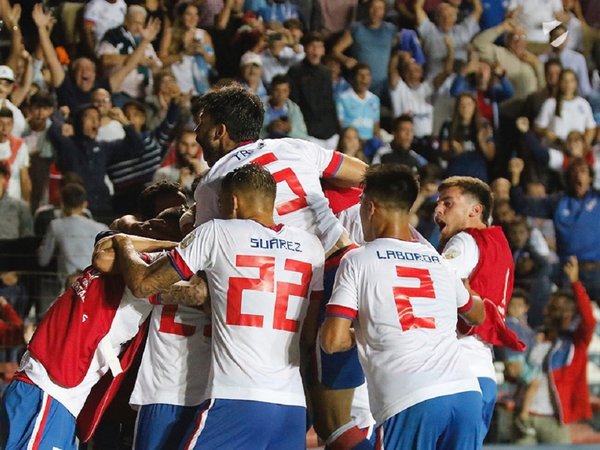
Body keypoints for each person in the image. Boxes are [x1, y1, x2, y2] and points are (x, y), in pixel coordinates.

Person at [106, 164, 325, 449]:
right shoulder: (311, 246)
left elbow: (142, 284)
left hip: (235, 398)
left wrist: (123, 242)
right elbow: (310, 335)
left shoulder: (217, 233)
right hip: (292, 405)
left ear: (232, 202)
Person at [321, 164, 485, 449]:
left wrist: (363, 332)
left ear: (370, 208)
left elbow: (332, 341)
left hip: (410, 399)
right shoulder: (437, 260)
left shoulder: (358, 260)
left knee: (334, 426)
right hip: (466, 394)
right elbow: (476, 313)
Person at [434, 175, 522, 444]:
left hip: (453, 374)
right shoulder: (499, 243)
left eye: (448, 203)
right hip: (483, 375)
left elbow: (432, 284)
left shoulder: (464, 242)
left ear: (475, 210)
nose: (438, 210)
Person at [515, 257, 595, 444]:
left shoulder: (576, 344)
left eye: (565, 309)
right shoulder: (533, 338)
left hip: (554, 420)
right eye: (555, 307)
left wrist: (575, 283)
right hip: (526, 415)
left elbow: (589, 319)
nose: (559, 313)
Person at [509, 157, 600, 304]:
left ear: (590, 177)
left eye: (583, 171)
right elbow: (521, 205)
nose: (578, 176)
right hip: (568, 272)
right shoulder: (557, 202)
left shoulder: (598, 197)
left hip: (597, 271)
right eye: (574, 172)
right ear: (567, 178)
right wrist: (515, 176)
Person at [37, 183, 109, 286]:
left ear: (62, 203)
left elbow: (43, 260)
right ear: (85, 205)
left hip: (67, 288)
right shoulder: (101, 228)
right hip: (95, 287)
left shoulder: (56, 226)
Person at [332, 0, 396, 98]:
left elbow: (401, 48)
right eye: (372, 8)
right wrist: (345, 59)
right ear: (367, 9)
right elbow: (335, 51)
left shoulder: (390, 30)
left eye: (379, 9)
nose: (375, 12)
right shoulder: (356, 28)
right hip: (360, 84)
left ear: (384, 11)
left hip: (383, 86)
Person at [288, 32, 340, 148]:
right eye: (312, 47)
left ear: (323, 50)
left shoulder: (326, 72)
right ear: (305, 49)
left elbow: (330, 102)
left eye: (319, 47)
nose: (316, 51)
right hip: (308, 132)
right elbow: (294, 102)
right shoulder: (295, 71)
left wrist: (336, 129)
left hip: (330, 132)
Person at [534, 69, 596, 147]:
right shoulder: (550, 103)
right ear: (559, 83)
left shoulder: (583, 104)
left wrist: (583, 147)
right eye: (565, 81)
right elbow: (538, 126)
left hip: (576, 151)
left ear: (576, 83)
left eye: (571, 81)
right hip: (556, 149)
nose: (568, 84)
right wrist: (546, 132)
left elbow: (590, 128)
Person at [0, 108, 31, 203]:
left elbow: (24, 179)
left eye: (8, 124)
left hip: (13, 204)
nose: (4, 128)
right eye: (0, 124)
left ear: (13, 125)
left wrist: (26, 206)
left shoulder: (20, 146)